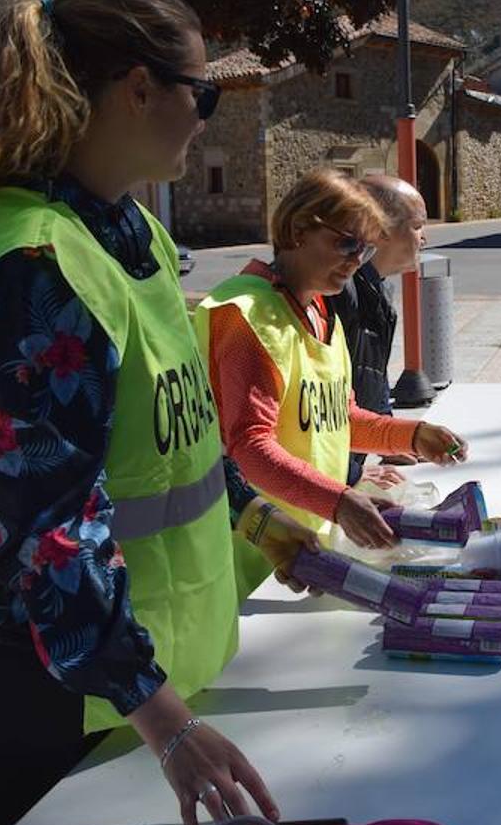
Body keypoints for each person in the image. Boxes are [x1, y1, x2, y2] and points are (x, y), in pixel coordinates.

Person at [0, 0, 320, 825]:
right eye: (203, 93)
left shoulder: (123, 230)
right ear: (139, 89)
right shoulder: (28, 264)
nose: (206, 115)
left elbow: (170, 442)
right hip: (10, 659)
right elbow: (52, 527)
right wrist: (167, 722)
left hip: (98, 652)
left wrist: (269, 528)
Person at [197, 169, 467, 553]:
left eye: (366, 250)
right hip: (249, 547)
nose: (356, 261)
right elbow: (250, 445)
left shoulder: (322, 313)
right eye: (346, 244)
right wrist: (338, 501)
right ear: (297, 230)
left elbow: (340, 420)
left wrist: (411, 435)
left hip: (301, 542)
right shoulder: (247, 314)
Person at [329, 174, 428, 488]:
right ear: (379, 229)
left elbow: (370, 382)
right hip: (325, 485)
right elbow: (319, 407)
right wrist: (351, 475)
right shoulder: (338, 292)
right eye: (417, 226)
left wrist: (390, 438)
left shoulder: (377, 292)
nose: (424, 238)